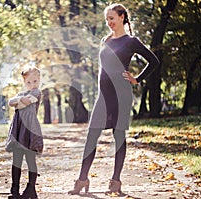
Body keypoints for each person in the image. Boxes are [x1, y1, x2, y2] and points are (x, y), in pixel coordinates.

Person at [68, 3, 160, 195]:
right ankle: (82, 180)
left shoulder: (131, 41)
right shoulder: (106, 40)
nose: (109, 22)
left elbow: (154, 61)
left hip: (121, 95)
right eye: (107, 19)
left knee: (118, 137)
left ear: (122, 17)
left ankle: (116, 181)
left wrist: (137, 79)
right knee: (91, 136)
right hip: (103, 96)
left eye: (112, 18)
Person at [6, 66, 43, 199]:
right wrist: (17, 101)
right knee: (16, 160)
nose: (32, 85)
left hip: (30, 131)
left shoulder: (37, 93)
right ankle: (14, 189)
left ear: (39, 80)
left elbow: (26, 102)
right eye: (28, 82)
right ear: (24, 82)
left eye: (35, 81)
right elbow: (10, 102)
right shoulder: (22, 93)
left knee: (30, 159)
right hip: (18, 129)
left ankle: (31, 188)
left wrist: (18, 102)